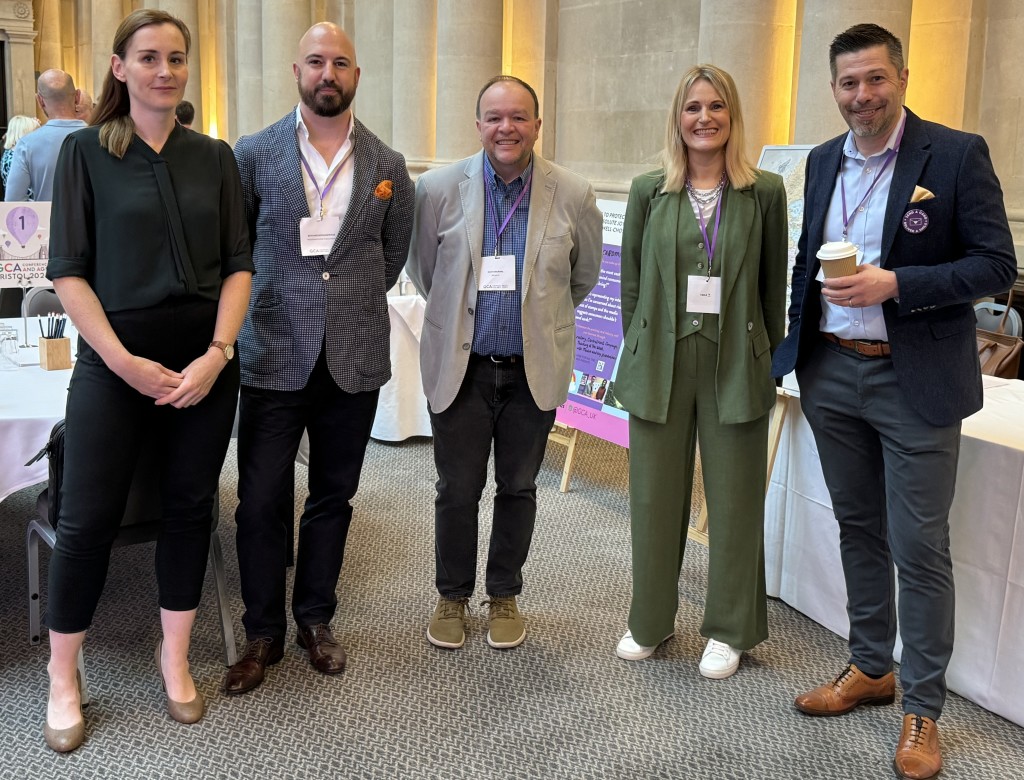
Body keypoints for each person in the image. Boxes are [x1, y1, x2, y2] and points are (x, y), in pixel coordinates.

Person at [771, 24, 1016, 780]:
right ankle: (870, 665)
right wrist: (791, 351)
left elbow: (995, 264)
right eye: (848, 84)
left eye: (874, 79)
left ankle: (923, 708)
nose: (861, 96)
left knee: (920, 546)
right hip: (832, 372)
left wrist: (896, 285)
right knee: (857, 528)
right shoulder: (819, 160)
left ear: (901, 78)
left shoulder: (955, 153)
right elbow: (804, 263)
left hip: (913, 379)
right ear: (834, 89)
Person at [41, 9, 253, 753]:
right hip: (114, 360)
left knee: (190, 508)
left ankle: (173, 660)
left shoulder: (214, 156)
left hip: (202, 365)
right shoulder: (85, 154)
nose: (166, 70)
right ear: (119, 67)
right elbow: (66, 270)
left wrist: (218, 354)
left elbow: (238, 266)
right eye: (150, 58)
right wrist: (124, 362)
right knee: (87, 516)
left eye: (177, 58)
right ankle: (64, 675)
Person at [224, 22, 413, 695]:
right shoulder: (252, 154)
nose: (327, 73)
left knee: (333, 497)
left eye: (340, 62)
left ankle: (314, 619)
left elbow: (390, 257)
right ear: (296, 71)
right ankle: (262, 630)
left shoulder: (388, 166)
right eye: (315, 61)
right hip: (272, 351)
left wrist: (347, 305)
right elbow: (237, 252)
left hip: (352, 358)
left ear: (356, 76)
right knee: (259, 501)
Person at [407, 75, 602, 651]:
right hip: (462, 368)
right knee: (456, 488)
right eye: (495, 117)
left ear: (537, 126)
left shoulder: (573, 193)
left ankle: (504, 593)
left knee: (518, 487)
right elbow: (424, 271)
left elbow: (582, 276)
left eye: (518, 117)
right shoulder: (439, 188)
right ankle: (451, 595)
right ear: (478, 126)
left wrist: (541, 321)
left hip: (529, 371)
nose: (506, 128)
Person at [613, 65, 787, 679]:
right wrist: (638, 352)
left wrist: (770, 362)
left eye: (717, 106)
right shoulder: (648, 191)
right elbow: (633, 288)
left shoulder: (763, 192)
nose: (704, 117)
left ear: (732, 116)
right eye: (693, 107)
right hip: (660, 361)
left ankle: (731, 627)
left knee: (736, 499)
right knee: (654, 497)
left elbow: (773, 289)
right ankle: (650, 619)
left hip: (736, 361)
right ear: (677, 117)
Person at [4, 69, 87, 201]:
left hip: (47, 221)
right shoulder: (101, 139)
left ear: (40, 100)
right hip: (95, 221)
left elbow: (13, 202)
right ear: (77, 96)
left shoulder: (26, 145)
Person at [1, 115, 40, 191]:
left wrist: (34, 124)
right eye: (36, 131)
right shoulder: (15, 159)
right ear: (25, 133)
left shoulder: (12, 152)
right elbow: (29, 192)